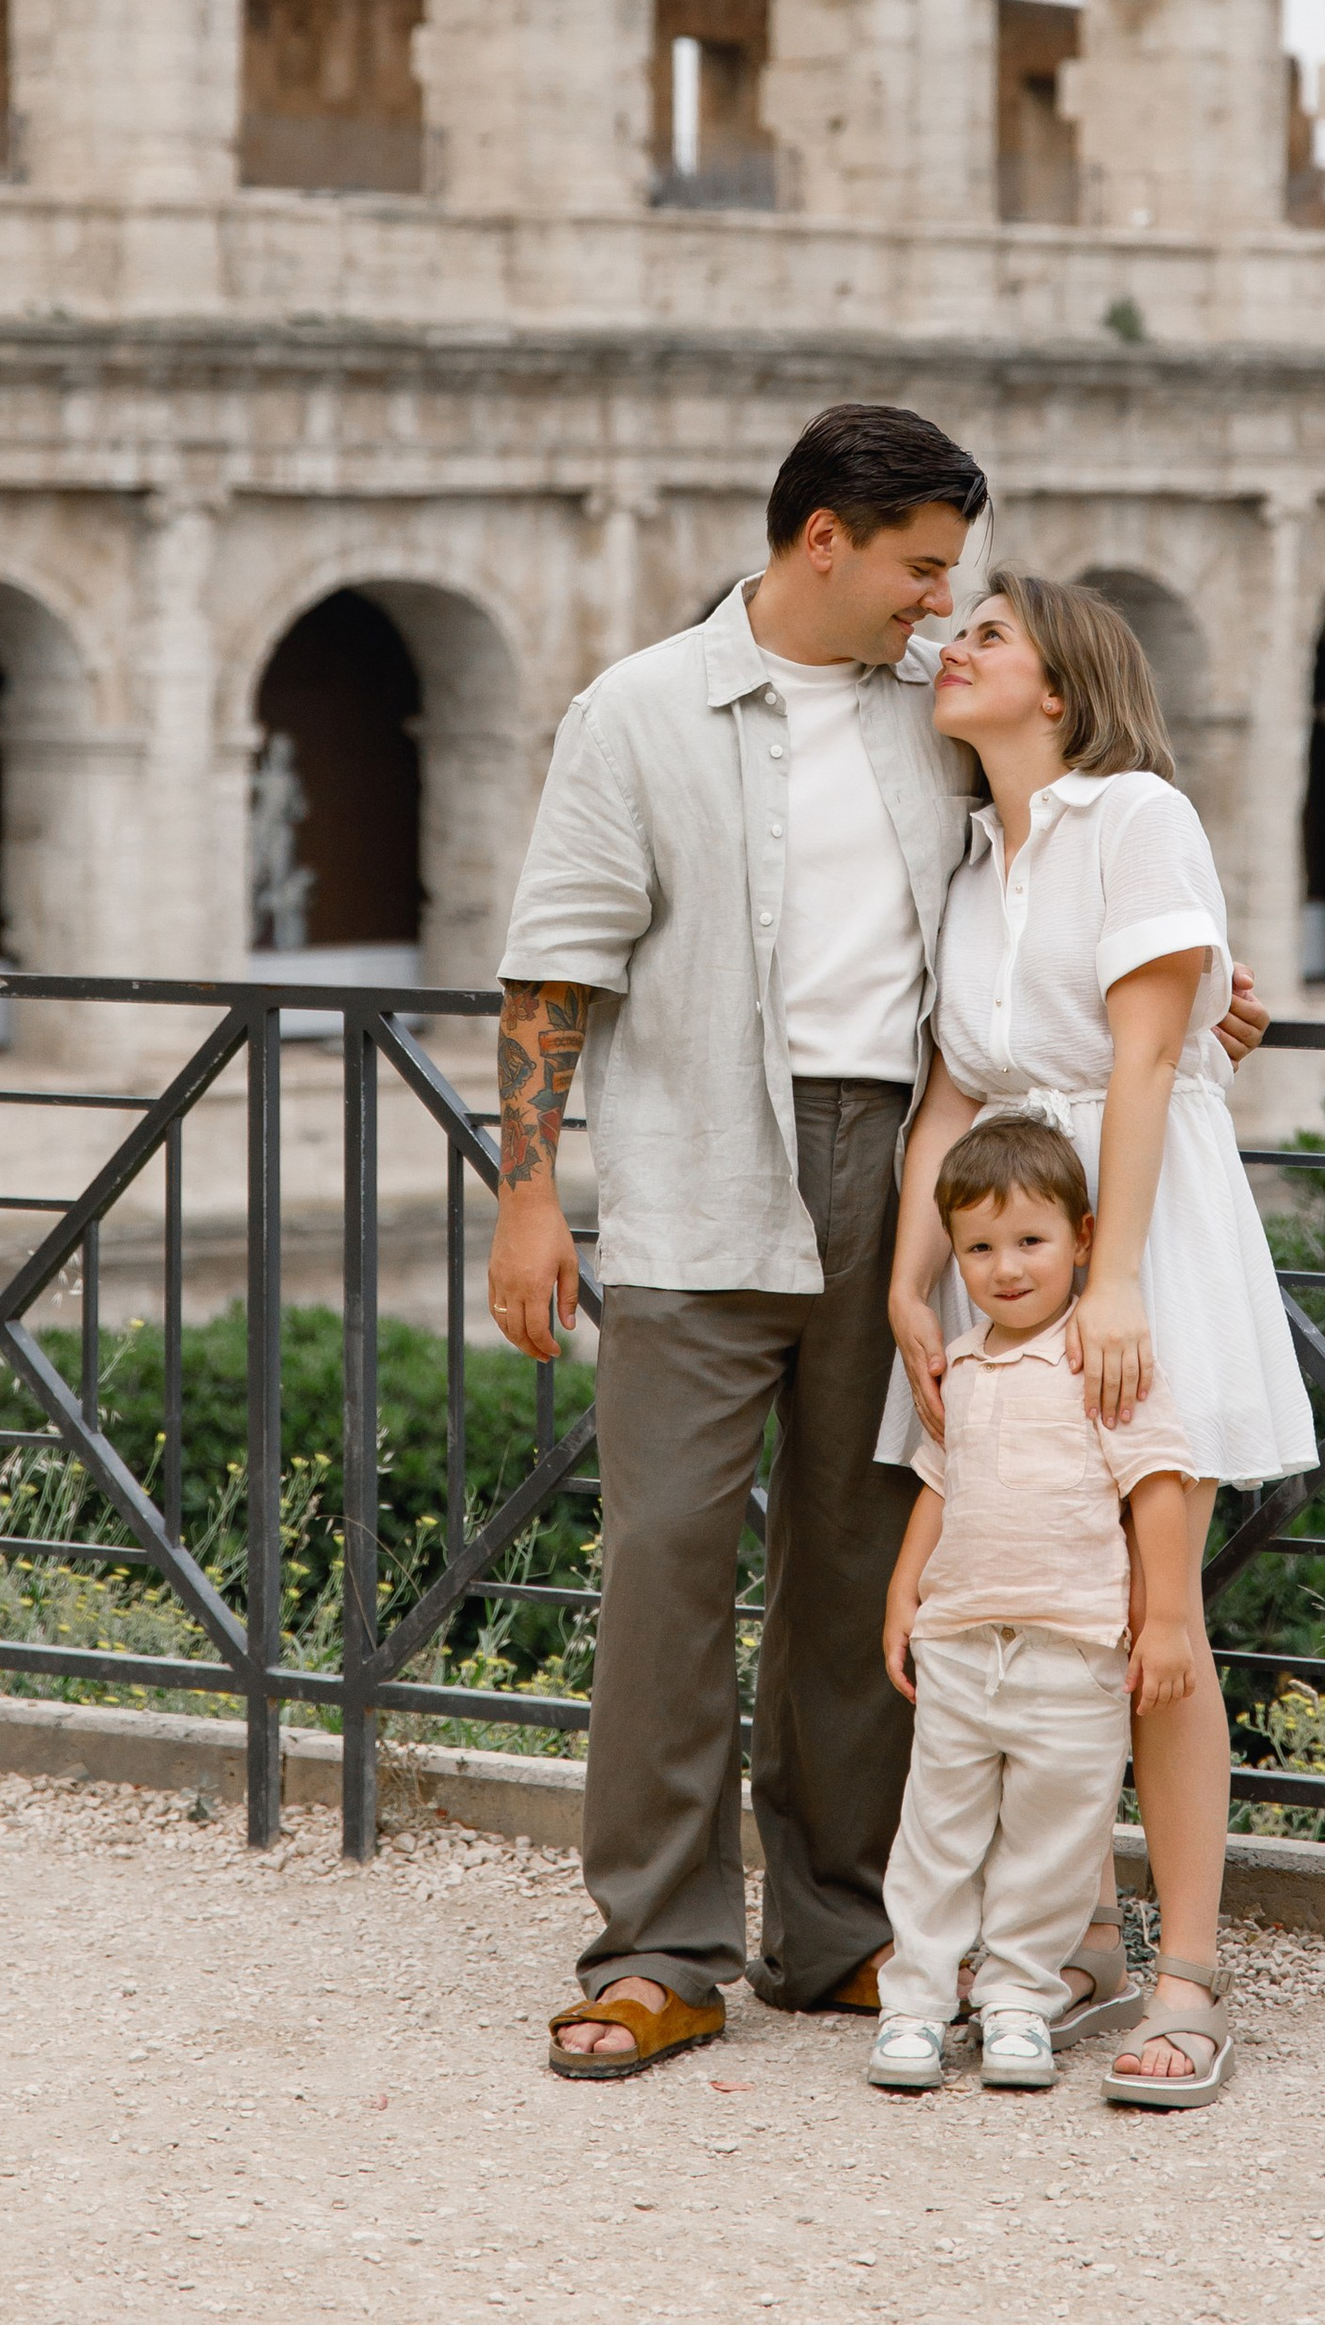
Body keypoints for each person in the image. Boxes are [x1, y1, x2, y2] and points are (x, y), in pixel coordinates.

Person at [487, 403, 1272, 2080]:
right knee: (667, 1558)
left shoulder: (938, 708)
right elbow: (554, 965)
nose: (939, 603)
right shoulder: (637, 711)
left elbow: (1079, 852)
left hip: (918, 1175)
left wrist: (1205, 987)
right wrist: (527, 1195)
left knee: (862, 1560)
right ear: (823, 541)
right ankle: (658, 1951)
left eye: (954, 582)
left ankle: (841, 1929)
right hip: (703, 1164)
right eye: (922, 569)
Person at [884, 568, 1316, 2108]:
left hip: (1136, 1232)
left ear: (1061, 688)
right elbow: (953, 1090)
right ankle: (1063, 1943)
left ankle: (1185, 1970)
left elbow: (1145, 1060)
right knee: (1025, 1609)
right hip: (1008, 1240)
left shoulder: (1138, 816)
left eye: (988, 635)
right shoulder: (971, 862)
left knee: (1154, 1616)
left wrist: (1117, 1282)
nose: (953, 646)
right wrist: (906, 1284)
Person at [869, 1110, 1199, 2096]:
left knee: (1052, 1843)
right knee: (936, 1833)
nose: (1005, 1268)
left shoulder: (1103, 1360)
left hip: (1075, 1653)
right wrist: (903, 1593)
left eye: (1029, 1241)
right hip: (962, 1646)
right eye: (978, 1248)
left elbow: (1157, 1486)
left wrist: (1166, 1620)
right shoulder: (959, 1365)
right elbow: (939, 1485)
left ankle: (1017, 2001)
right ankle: (916, 2004)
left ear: (1082, 1239)